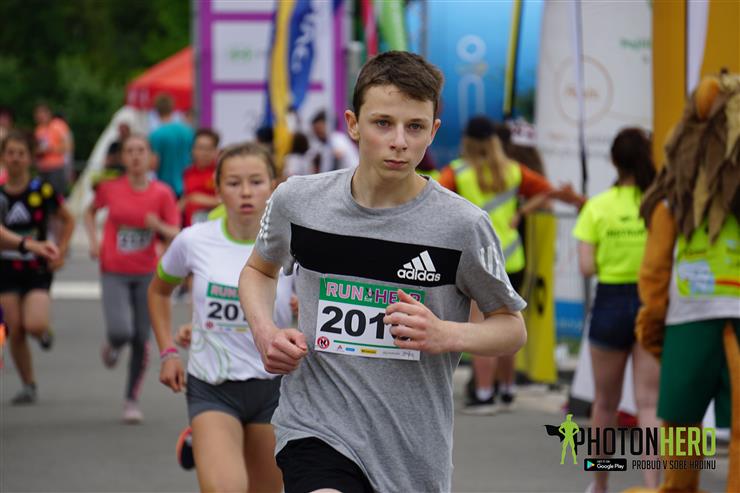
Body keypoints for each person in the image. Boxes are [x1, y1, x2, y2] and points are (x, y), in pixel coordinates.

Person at [239, 51, 527, 493]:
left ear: (433, 131)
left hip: (412, 452)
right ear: (353, 124)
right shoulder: (299, 201)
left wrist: (446, 334)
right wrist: (265, 333)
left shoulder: (462, 226)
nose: (399, 141)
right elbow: (259, 271)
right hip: (316, 428)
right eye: (383, 123)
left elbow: (511, 328)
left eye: (415, 127)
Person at [149, 142, 291, 493]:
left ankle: (200, 441)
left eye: (256, 181)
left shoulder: (294, 247)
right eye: (233, 183)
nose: (246, 192)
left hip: (273, 388)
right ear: (217, 189)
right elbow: (158, 292)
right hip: (212, 386)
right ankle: (204, 437)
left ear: (274, 186)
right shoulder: (193, 241)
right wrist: (168, 352)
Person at [637, 73, 739, 493]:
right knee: (683, 419)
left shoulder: (672, 201)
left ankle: (678, 487)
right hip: (693, 319)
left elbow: (655, 273)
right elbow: (657, 268)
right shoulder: (674, 201)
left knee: (682, 420)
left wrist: (652, 319)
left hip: (688, 319)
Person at [439, 116, 580, 414]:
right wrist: (523, 212)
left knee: (480, 328)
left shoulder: (458, 171)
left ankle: (484, 394)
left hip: (478, 258)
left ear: (467, 141)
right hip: (512, 258)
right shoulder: (514, 170)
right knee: (507, 322)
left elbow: (433, 197)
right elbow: (547, 190)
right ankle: (506, 390)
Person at [573, 127, 660, 493]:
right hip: (650, 302)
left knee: (605, 405)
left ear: (613, 160)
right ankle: (653, 485)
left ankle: (600, 483)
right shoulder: (658, 204)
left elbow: (586, 267)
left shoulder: (597, 206)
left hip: (609, 303)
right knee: (649, 405)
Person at [84, 133, 180, 423]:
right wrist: (94, 242)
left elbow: (176, 232)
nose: (136, 156)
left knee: (141, 337)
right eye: (130, 151)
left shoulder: (162, 193)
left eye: (141, 151)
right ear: (123, 157)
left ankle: (131, 399)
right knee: (120, 331)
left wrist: (157, 225)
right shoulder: (111, 188)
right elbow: (89, 213)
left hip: (147, 272)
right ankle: (113, 344)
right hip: (114, 268)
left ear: (151, 158)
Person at [0, 130, 75, 404]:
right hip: (5, 270)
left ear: (30, 158)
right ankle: (28, 383)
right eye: (10, 153)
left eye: (21, 153)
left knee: (33, 323)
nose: (15, 158)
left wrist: (61, 251)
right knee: (14, 329)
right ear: (3, 157)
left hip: (36, 269)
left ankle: (44, 332)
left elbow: (68, 219)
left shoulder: (41, 190)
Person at [149, 94, 195, 197]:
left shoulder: (156, 135)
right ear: (172, 108)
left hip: (165, 185)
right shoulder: (188, 130)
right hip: (187, 183)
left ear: (157, 111)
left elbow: (154, 164)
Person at [181, 128, 221, 226]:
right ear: (193, 150)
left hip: (214, 225)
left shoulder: (221, 173)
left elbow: (228, 200)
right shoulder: (187, 173)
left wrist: (199, 199)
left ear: (216, 151)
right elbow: (184, 199)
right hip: (190, 228)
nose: (203, 153)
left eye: (208, 149)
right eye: (200, 148)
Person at [33, 103, 71, 195]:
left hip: (56, 167)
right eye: (38, 114)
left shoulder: (59, 125)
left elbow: (68, 146)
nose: (40, 116)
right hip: (42, 168)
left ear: (49, 113)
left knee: (56, 195)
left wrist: (50, 149)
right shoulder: (38, 130)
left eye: (42, 113)